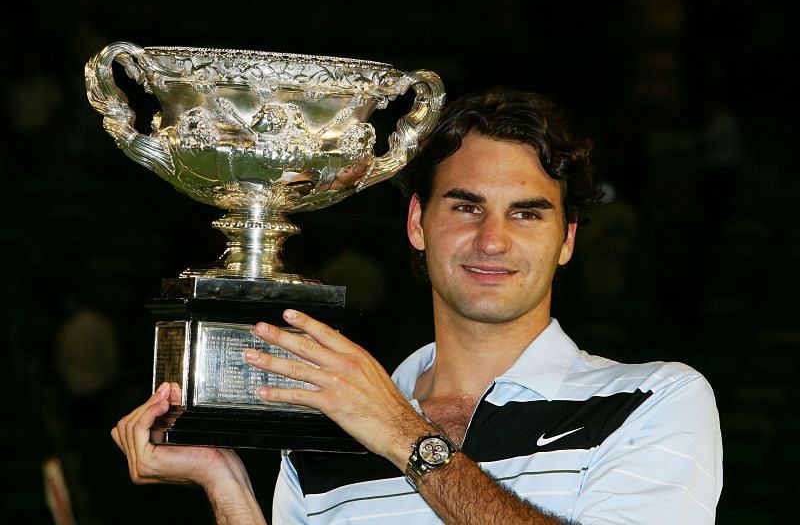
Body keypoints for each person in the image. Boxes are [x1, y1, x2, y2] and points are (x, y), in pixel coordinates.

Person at [112, 88, 723, 524]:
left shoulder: (652, 401)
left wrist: (403, 434)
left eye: (527, 213)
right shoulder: (331, 432)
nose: (492, 239)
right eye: (465, 206)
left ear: (566, 240)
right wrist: (226, 487)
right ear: (417, 224)